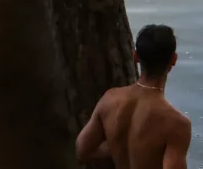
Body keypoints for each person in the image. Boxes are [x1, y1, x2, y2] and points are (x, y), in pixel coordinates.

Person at [75, 24, 192, 169]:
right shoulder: (176, 123)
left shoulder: (109, 99)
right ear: (173, 59)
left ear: (135, 56)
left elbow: (82, 150)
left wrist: (116, 145)